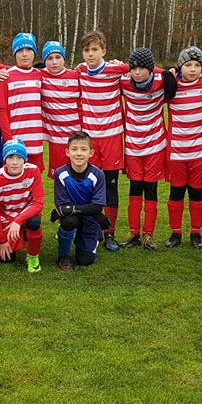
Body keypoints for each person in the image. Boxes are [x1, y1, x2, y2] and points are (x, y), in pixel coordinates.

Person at [75, 30, 130, 251]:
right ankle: (93, 228)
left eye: (95, 49)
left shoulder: (116, 70)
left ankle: (110, 233)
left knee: (110, 185)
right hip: (90, 138)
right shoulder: (80, 71)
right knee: (90, 184)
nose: (91, 54)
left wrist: (172, 71)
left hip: (112, 136)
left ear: (104, 51)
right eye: (87, 50)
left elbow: (142, 68)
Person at [164, 46, 202, 250]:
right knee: (176, 193)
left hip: (201, 152)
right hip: (177, 151)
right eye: (188, 65)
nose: (193, 69)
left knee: (197, 194)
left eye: (197, 65)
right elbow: (149, 76)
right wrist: (169, 72)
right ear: (180, 66)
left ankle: (196, 233)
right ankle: (175, 232)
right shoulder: (171, 85)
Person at [120, 47, 174, 250]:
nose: (137, 72)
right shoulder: (124, 82)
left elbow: (178, 76)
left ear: (151, 69)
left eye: (142, 68)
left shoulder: (162, 81)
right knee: (135, 189)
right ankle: (134, 233)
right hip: (132, 147)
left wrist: (165, 71)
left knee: (151, 190)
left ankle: (148, 235)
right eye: (133, 68)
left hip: (155, 145)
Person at [51, 131, 108, 270]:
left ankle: (94, 235)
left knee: (85, 261)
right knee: (70, 222)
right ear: (67, 152)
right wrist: (68, 210)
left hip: (90, 218)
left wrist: (69, 209)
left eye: (83, 149)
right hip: (73, 217)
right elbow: (62, 204)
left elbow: (97, 207)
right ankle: (63, 255)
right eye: (74, 149)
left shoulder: (98, 174)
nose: (79, 154)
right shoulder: (60, 173)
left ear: (91, 153)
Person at [0, 138, 44, 273]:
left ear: (25, 159)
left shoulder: (33, 171)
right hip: (7, 217)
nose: (14, 162)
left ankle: (33, 256)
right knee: (7, 259)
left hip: (26, 213)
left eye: (19, 158)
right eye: (10, 157)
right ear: (4, 159)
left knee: (34, 223)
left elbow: (39, 203)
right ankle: (20, 235)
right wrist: (2, 240)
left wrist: (18, 221)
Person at [0, 33, 45, 172]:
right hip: (15, 140)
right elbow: (1, 110)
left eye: (28, 50)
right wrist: (9, 140)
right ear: (14, 54)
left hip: (36, 140)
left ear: (34, 52)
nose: (24, 54)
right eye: (20, 51)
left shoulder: (40, 75)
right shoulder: (6, 76)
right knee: (12, 180)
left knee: (34, 179)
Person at [39, 41, 81, 178]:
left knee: (80, 177)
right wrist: (0, 70)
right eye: (50, 58)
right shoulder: (39, 76)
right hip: (56, 139)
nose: (54, 62)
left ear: (64, 58)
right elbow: (17, 71)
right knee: (60, 178)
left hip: (77, 137)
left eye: (58, 57)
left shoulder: (76, 76)